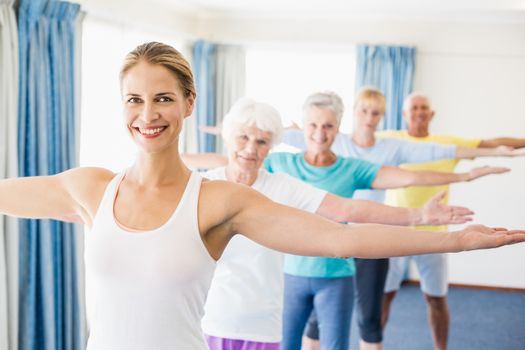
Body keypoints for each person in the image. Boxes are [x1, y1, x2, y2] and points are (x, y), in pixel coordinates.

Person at [1, 42, 524, 350]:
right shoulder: (90, 187)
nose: (147, 114)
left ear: (188, 104)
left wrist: (453, 242)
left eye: (163, 98)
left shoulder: (219, 201)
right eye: (134, 99)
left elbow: (339, 237)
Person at [193, 97, 475, 350]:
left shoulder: (281, 186)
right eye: (243, 137)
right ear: (228, 137)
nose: (251, 149)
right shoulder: (202, 186)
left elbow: (347, 208)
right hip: (206, 324)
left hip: (264, 326)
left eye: (262, 142)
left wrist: (419, 216)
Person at [280, 88, 524, 350]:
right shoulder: (333, 141)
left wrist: (469, 173)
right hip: (331, 244)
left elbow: (431, 163)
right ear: (353, 114)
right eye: (363, 111)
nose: (369, 118)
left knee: (377, 315)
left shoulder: (387, 148)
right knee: (319, 322)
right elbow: (271, 136)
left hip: (383, 234)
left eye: (375, 113)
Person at [377, 92, 525, 350]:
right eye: (414, 108)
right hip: (394, 234)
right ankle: (372, 345)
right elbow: (353, 141)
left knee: (436, 299)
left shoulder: (447, 144)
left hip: (436, 236)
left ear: (432, 114)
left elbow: (490, 143)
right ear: (404, 114)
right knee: (383, 297)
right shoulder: (391, 140)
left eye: (424, 108)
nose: (419, 112)